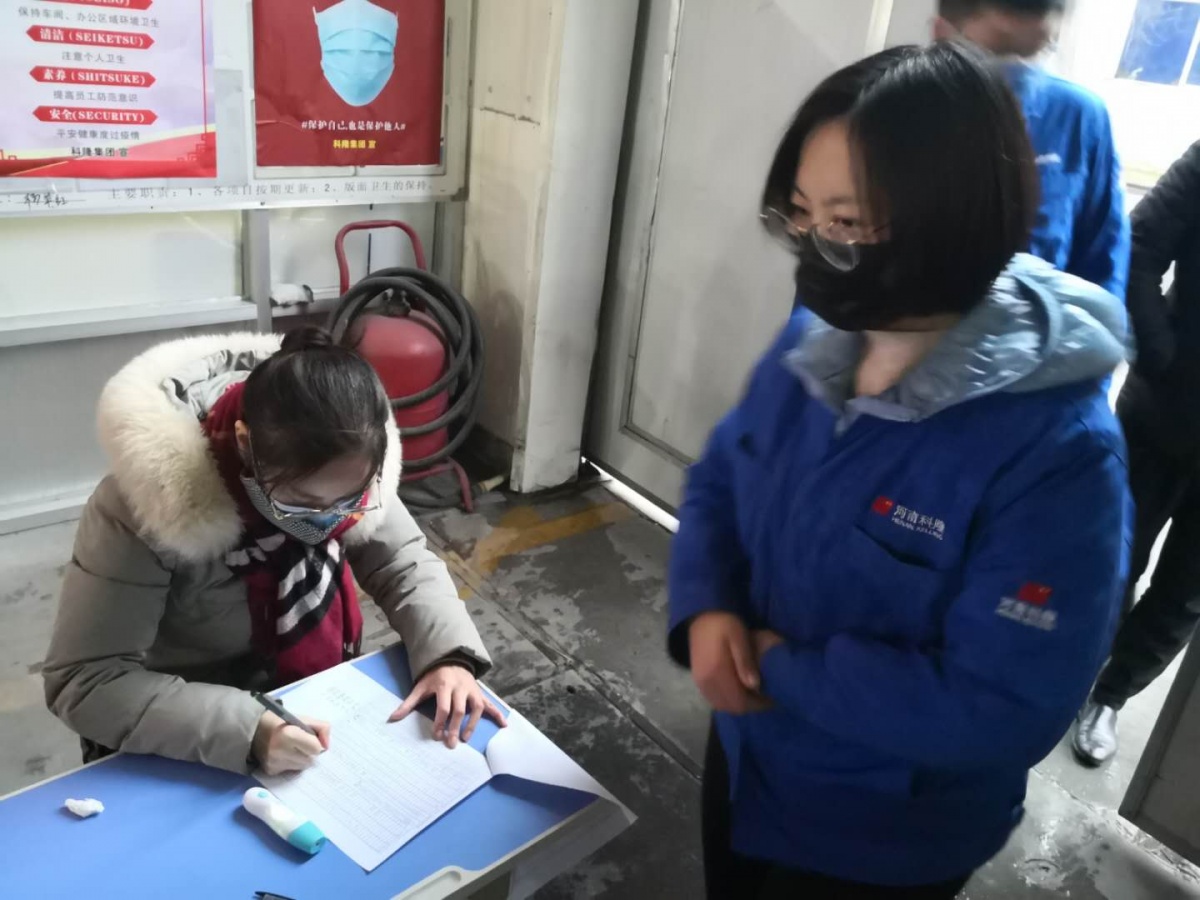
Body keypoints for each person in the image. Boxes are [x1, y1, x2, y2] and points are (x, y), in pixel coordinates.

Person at [668, 42, 1130, 899]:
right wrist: (705, 604)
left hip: (884, 833)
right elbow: (722, 478)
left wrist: (778, 666)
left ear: (955, 220)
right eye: (800, 214)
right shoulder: (817, 344)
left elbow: (1000, 702)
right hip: (751, 757)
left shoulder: (1057, 454)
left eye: (846, 223)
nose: (814, 247)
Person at [43, 326, 503, 776]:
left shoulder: (355, 453)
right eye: (301, 502)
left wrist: (448, 655)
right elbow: (86, 681)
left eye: (350, 501)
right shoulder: (140, 509)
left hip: (304, 704)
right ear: (245, 444)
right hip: (184, 725)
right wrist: (249, 731)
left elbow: (402, 561)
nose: (327, 520)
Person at [1074, 141, 1200, 766]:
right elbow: (1140, 245)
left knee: (1185, 593)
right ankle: (1071, 669)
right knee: (1110, 555)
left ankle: (1111, 694)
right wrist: (1160, 356)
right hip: (1162, 410)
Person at [935, 0, 1130, 300]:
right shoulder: (903, 109)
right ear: (942, 33)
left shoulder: (1078, 115)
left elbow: (1103, 257)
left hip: (1043, 320)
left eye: (1032, 55)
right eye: (997, 52)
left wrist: (1100, 321)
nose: (1016, 77)